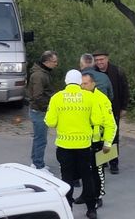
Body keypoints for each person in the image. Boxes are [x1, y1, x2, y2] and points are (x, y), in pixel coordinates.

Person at [45, 70, 105, 219]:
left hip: (64, 145)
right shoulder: (89, 97)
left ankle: (68, 208)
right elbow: (97, 120)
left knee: (67, 178)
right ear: (80, 82)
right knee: (87, 177)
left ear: (65, 81)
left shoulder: (57, 98)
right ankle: (91, 210)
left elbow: (50, 121)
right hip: (84, 145)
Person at [75, 72, 117, 209]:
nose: (82, 86)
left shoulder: (102, 99)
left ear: (93, 84)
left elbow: (111, 124)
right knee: (84, 170)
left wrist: (108, 143)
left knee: (98, 172)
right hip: (82, 141)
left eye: (85, 83)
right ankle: (86, 194)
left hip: (97, 142)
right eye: (81, 83)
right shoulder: (79, 97)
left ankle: (98, 196)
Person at [93, 51, 129, 174]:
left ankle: (114, 163)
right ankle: (103, 161)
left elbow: (125, 89)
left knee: (113, 136)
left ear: (107, 59)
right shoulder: (92, 72)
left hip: (113, 109)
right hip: (96, 111)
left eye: (101, 59)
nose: (99, 62)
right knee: (99, 137)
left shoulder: (117, 71)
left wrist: (124, 107)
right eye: (97, 60)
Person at [28, 50, 58, 172]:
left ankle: (36, 162)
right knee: (41, 139)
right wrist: (49, 107)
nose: (56, 64)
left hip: (39, 110)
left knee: (38, 138)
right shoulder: (39, 75)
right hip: (39, 111)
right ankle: (38, 165)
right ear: (46, 62)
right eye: (54, 61)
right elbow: (37, 96)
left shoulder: (43, 73)